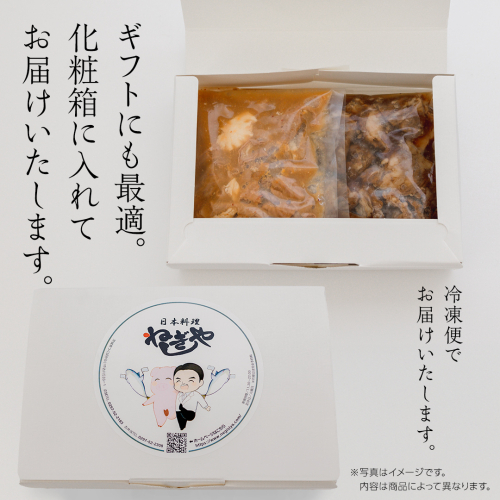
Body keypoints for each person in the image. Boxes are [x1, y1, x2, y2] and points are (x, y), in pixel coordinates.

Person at [173, 363, 211, 430]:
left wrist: (206, 407)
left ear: (200, 382)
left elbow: (201, 400)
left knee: (189, 416)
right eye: (178, 380)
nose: (183, 384)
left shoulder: (196, 394)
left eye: (190, 380)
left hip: (190, 412)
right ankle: (182, 429)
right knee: (181, 425)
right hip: (178, 412)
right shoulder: (179, 394)